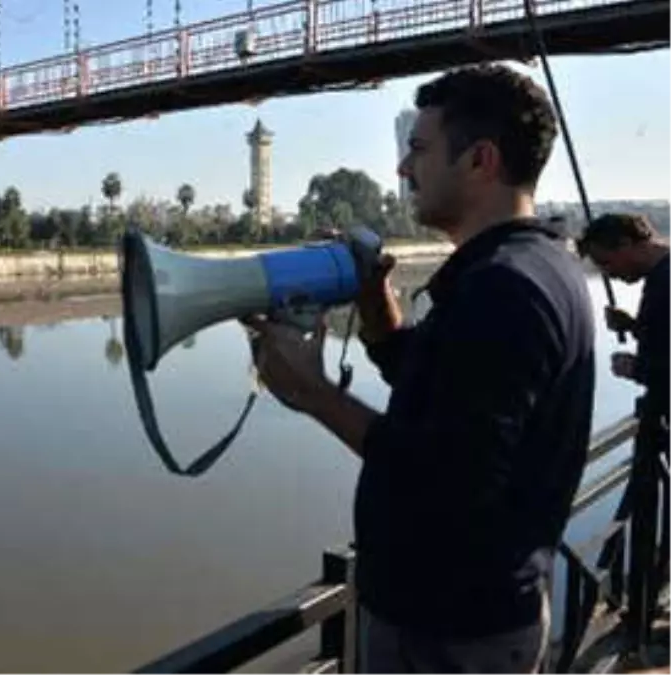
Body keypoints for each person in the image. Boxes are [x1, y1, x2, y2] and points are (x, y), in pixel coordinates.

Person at [245, 64, 595, 673]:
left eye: (419, 149)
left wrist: (313, 391)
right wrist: (378, 312)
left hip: (451, 635)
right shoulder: (532, 266)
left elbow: (445, 475)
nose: (405, 169)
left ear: (480, 160)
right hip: (474, 616)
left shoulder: (503, 290)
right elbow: (449, 392)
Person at [578, 212, 671, 399]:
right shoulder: (660, 277)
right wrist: (633, 326)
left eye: (606, 262)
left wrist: (636, 369)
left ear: (625, 244)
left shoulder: (665, 282)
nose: (607, 273)